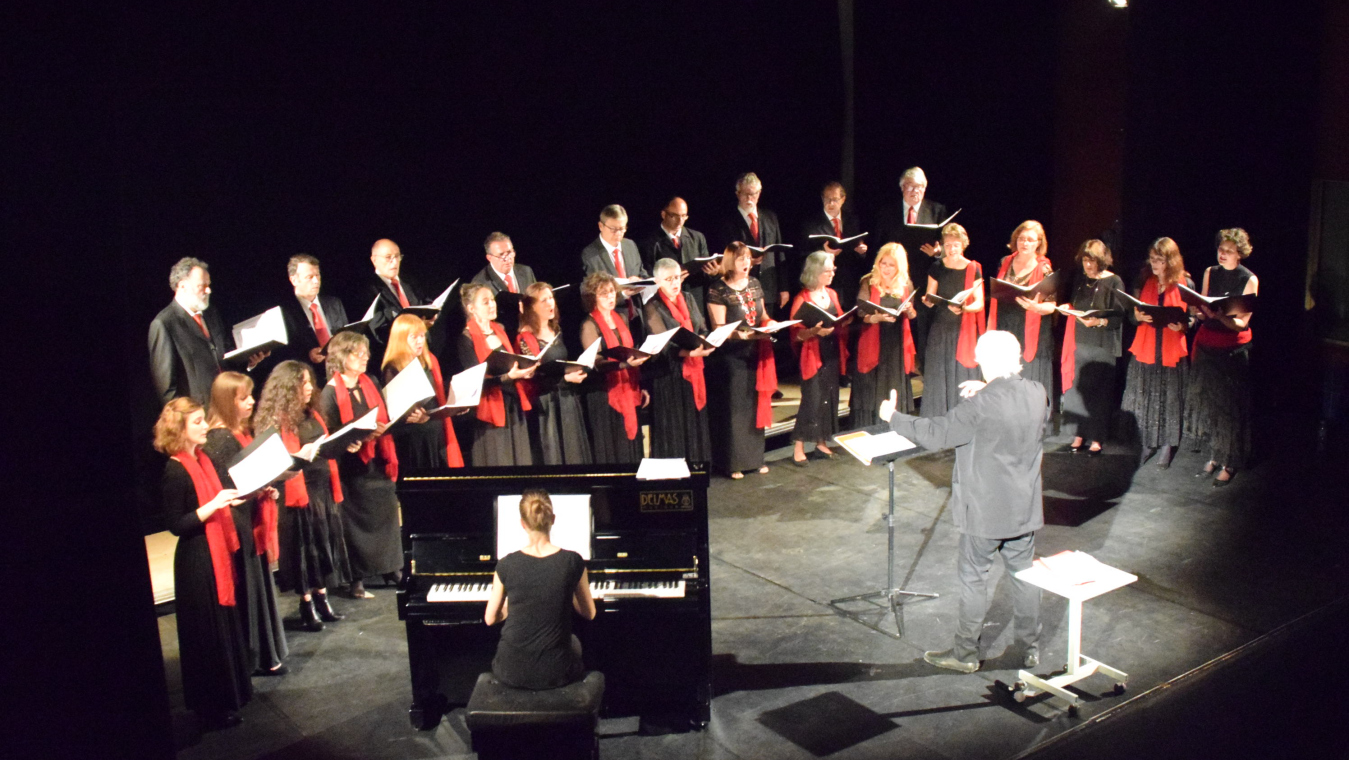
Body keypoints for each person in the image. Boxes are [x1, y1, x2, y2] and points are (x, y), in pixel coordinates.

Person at [879, 330, 1047, 673]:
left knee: (974, 579)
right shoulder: (1037, 392)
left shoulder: (979, 405)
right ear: (1016, 358)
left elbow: (937, 434)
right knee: (1025, 579)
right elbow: (1008, 400)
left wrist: (893, 417)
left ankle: (965, 654)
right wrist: (987, 388)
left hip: (984, 513)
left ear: (985, 360)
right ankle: (1030, 649)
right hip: (1024, 509)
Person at [154, 397, 251, 729]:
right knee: (206, 633)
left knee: (223, 626)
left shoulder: (204, 458)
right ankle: (210, 707)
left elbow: (215, 499)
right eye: (197, 422)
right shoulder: (175, 469)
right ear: (179, 429)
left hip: (216, 551)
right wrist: (213, 505)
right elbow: (176, 524)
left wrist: (231, 499)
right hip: (197, 559)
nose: (205, 425)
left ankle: (229, 695)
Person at [201, 372, 289, 676]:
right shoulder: (219, 438)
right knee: (250, 589)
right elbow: (230, 488)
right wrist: (257, 489)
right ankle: (258, 656)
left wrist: (266, 489)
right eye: (243, 398)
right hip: (239, 526)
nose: (251, 402)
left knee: (260, 586)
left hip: (250, 519)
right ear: (227, 401)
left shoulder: (238, 431)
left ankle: (267, 653)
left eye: (251, 395)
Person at [256, 361, 350, 630]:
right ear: (287, 388)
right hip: (295, 494)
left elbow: (326, 443)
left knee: (321, 543)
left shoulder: (312, 413)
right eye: (303, 383)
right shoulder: (274, 421)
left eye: (310, 382)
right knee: (302, 547)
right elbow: (271, 463)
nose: (309, 388)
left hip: (320, 490)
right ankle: (306, 602)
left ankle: (322, 596)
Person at [484, 489, 597, 690]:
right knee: (575, 643)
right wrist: (565, 591)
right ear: (553, 519)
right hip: (557, 672)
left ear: (522, 524)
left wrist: (514, 602)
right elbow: (589, 613)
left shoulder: (506, 564)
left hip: (510, 670)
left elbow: (490, 618)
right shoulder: (572, 562)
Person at [317, 331, 402, 599]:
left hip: (376, 459)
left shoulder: (371, 381)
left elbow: (380, 414)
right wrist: (348, 443)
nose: (365, 357)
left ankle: (390, 568)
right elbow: (329, 435)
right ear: (342, 357)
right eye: (358, 353)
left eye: (366, 352)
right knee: (354, 523)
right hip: (349, 469)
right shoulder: (329, 392)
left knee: (386, 508)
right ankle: (357, 579)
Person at [1184, 228, 1259, 486]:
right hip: (1207, 345)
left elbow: (1242, 324)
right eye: (1220, 249)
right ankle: (1215, 455)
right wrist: (1200, 310)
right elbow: (1205, 311)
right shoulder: (1210, 272)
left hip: (1231, 350)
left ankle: (1229, 461)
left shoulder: (1249, 279)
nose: (1222, 254)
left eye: (1228, 250)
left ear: (1240, 253)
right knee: (1210, 405)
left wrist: (1220, 317)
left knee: (1229, 407)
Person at [149, 257, 266, 407]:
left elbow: (224, 357)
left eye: (208, 285)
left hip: (229, 404)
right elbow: (166, 388)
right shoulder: (165, 324)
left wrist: (248, 362)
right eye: (202, 286)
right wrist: (185, 420)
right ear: (182, 286)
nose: (208, 290)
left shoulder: (211, 313)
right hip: (200, 413)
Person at [706, 242, 779, 479]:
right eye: (740, 259)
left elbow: (763, 316)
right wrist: (741, 334)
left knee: (754, 406)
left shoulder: (755, 284)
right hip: (731, 357)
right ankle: (732, 463)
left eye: (747, 258)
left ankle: (755, 459)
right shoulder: (718, 289)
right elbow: (719, 328)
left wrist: (771, 325)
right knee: (736, 410)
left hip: (755, 353)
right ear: (730, 262)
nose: (746, 263)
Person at [1121, 237, 1194, 469]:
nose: (1154, 264)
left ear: (1170, 261)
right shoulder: (1145, 280)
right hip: (1147, 346)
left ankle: (1167, 445)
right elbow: (1133, 313)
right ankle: (1148, 443)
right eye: (1152, 259)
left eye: (1159, 260)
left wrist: (1183, 326)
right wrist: (1137, 317)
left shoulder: (1185, 283)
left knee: (1170, 397)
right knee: (1147, 396)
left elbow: (1192, 317)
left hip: (1170, 347)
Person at [875, 167, 952, 363]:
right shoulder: (887, 211)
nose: (914, 191)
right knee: (897, 323)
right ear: (902, 188)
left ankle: (924, 364)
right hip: (894, 278)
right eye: (910, 186)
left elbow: (948, 245)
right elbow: (878, 244)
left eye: (919, 187)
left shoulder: (937, 210)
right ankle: (902, 366)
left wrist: (937, 253)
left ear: (925, 189)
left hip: (925, 275)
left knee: (923, 323)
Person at [643, 258, 716, 461]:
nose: (675, 283)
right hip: (669, 374)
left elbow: (701, 326)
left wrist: (704, 338)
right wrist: (689, 353)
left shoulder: (688, 298)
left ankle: (697, 467)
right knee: (674, 425)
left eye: (677, 278)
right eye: (669, 279)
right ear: (657, 281)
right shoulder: (652, 306)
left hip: (695, 368)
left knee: (693, 421)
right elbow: (662, 345)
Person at [457, 283, 536, 466]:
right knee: (500, 460)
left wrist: (525, 371)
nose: (492, 305)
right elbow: (476, 382)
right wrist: (510, 376)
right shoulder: (465, 339)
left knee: (520, 460)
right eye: (485, 302)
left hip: (512, 404)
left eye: (492, 300)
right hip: (491, 409)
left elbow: (510, 362)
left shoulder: (499, 329)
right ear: (471, 308)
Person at [1059, 240, 1125, 455]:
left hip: (1102, 344)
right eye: (1085, 260)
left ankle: (1097, 437)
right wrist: (1067, 309)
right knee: (1079, 390)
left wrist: (1098, 322)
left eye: (1092, 261)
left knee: (1099, 394)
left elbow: (1118, 317)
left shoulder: (1114, 281)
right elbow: (1076, 306)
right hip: (1080, 340)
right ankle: (1079, 434)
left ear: (1101, 260)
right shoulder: (1081, 280)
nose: (1088, 265)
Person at [516, 282, 593, 465]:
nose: (550, 303)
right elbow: (534, 377)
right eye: (544, 300)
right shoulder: (525, 338)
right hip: (546, 405)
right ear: (532, 306)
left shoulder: (556, 330)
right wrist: (565, 378)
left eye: (551, 298)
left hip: (567, 399)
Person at [579, 272, 650, 464]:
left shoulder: (621, 318)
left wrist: (641, 385)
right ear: (593, 297)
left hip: (629, 387)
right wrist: (624, 364)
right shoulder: (589, 325)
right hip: (605, 394)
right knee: (614, 447)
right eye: (604, 294)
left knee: (631, 447)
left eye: (612, 292)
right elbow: (597, 363)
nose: (610, 297)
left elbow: (630, 351)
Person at [789, 251, 851, 466]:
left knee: (829, 397)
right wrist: (813, 332)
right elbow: (795, 333)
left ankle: (821, 442)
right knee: (812, 399)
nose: (831, 274)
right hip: (812, 354)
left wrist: (845, 321)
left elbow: (839, 319)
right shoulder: (802, 299)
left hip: (831, 351)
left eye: (832, 270)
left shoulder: (832, 294)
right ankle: (798, 445)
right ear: (815, 272)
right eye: (827, 271)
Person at [381, 313, 465, 469]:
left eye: (422, 336)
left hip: (435, 435)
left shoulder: (428, 360)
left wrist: (456, 404)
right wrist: (413, 414)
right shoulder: (392, 367)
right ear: (400, 338)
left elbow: (438, 395)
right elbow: (397, 409)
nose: (420, 341)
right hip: (414, 439)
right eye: (414, 337)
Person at [920, 223, 986, 418]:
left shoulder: (973, 268)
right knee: (940, 373)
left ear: (963, 244)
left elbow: (980, 303)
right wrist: (928, 301)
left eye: (956, 244)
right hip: (941, 328)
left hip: (964, 330)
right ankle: (939, 418)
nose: (952, 249)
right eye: (948, 245)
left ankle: (964, 417)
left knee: (961, 372)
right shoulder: (937, 266)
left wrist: (964, 308)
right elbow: (930, 296)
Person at [988, 221, 1058, 401]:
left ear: (1039, 243)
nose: (1025, 243)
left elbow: (1052, 306)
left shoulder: (1044, 268)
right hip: (1005, 325)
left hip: (1031, 330)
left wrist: (1037, 307)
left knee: (1028, 378)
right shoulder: (1005, 262)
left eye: (1030, 240)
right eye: (1021, 239)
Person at [850, 243, 917, 428]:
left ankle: (893, 425)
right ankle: (870, 426)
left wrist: (910, 310)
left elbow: (912, 316)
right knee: (873, 382)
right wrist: (876, 317)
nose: (886, 268)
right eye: (883, 263)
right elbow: (861, 313)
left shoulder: (905, 284)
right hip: (873, 338)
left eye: (891, 265)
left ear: (899, 266)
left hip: (895, 342)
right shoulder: (868, 281)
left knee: (892, 382)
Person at [719, 172, 789, 311]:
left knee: (767, 328)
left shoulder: (770, 217)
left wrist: (784, 288)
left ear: (760, 193)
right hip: (740, 287)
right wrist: (748, 262)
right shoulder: (728, 222)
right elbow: (725, 256)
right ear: (737, 193)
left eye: (754, 194)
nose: (750, 198)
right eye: (745, 194)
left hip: (768, 287)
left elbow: (779, 255)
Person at [277, 253, 348, 382]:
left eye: (317, 275)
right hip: (311, 379)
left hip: (343, 373)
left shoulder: (334, 303)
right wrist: (308, 355)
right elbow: (283, 354)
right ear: (294, 280)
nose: (316, 281)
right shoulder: (284, 313)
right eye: (309, 277)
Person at [801, 181, 869, 311]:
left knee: (849, 323)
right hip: (824, 284)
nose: (831, 203)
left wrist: (861, 251)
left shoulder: (852, 220)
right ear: (822, 198)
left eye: (835, 200)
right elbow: (803, 253)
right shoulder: (811, 223)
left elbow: (859, 248)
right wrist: (823, 251)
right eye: (827, 199)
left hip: (849, 282)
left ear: (843, 199)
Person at [640, 196, 718, 307]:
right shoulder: (650, 243)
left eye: (683, 216)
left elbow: (704, 275)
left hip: (695, 302)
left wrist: (713, 273)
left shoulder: (697, 238)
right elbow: (648, 277)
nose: (680, 221)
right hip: (667, 304)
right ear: (663, 214)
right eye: (674, 216)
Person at [581, 205, 649, 327]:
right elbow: (590, 294)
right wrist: (623, 294)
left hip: (637, 316)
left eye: (622, 228)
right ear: (601, 226)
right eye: (613, 229)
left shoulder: (630, 245)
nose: (618, 233)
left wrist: (640, 281)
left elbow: (642, 272)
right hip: (611, 320)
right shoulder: (590, 255)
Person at [471, 231, 537, 340]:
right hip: (503, 338)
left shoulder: (526, 271)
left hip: (530, 335)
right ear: (489, 258)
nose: (508, 259)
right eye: (501, 255)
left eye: (510, 252)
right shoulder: (480, 282)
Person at [367, 238, 422, 346]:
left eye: (397, 256)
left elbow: (423, 303)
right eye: (388, 257)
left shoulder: (409, 282)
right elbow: (378, 330)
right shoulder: (369, 290)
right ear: (374, 260)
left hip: (421, 346)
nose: (395, 261)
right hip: (393, 350)